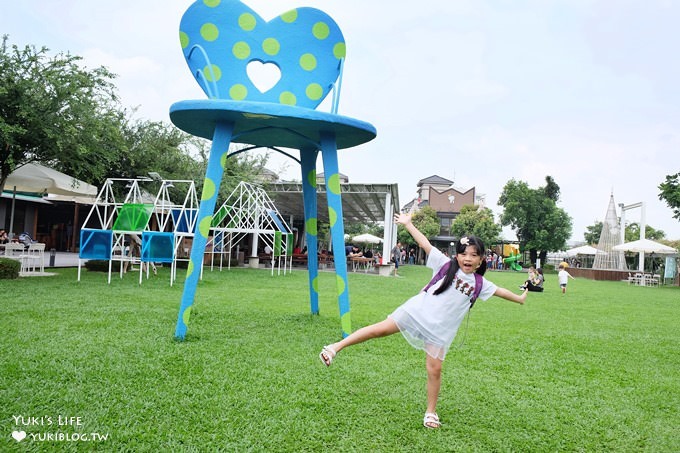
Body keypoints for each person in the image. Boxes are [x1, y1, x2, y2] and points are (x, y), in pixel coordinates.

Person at [318, 212, 528, 429]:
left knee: (434, 369)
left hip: (439, 330)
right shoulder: (445, 265)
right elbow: (425, 244)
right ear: (457, 256)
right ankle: (335, 347)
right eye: (464, 254)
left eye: (474, 255)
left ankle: (431, 412)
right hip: (417, 312)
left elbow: (501, 292)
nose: (468, 259)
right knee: (378, 330)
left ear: (481, 259)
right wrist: (408, 224)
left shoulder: (479, 283)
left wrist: (520, 299)